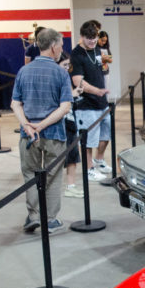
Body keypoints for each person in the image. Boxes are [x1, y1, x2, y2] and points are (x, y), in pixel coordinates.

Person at [11, 27, 74, 232]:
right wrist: (42, 125)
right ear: (54, 47)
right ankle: (50, 219)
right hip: (54, 134)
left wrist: (27, 125)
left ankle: (33, 216)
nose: (62, 49)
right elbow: (65, 107)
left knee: (30, 173)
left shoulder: (23, 71)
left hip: (28, 136)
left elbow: (15, 103)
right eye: (61, 46)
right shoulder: (61, 73)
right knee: (53, 176)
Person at [70, 20, 112, 181]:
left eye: (94, 38)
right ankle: (89, 169)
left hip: (102, 102)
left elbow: (104, 69)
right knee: (88, 139)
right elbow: (77, 81)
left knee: (106, 133)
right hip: (85, 104)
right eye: (89, 39)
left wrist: (103, 93)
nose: (93, 41)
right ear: (82, 36)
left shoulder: (99, 49)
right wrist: (97, 91)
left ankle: (99, 160)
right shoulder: (76, 54)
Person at [59, 52, 85, 198]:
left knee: (73, 154)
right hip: (60, 122)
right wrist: (72, 95)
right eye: (64, 65)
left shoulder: (66, 77)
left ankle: (71, 185)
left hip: (70, 120)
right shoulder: (57, 78)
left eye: (68, 65)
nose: (67, 68)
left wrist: (74, 93)